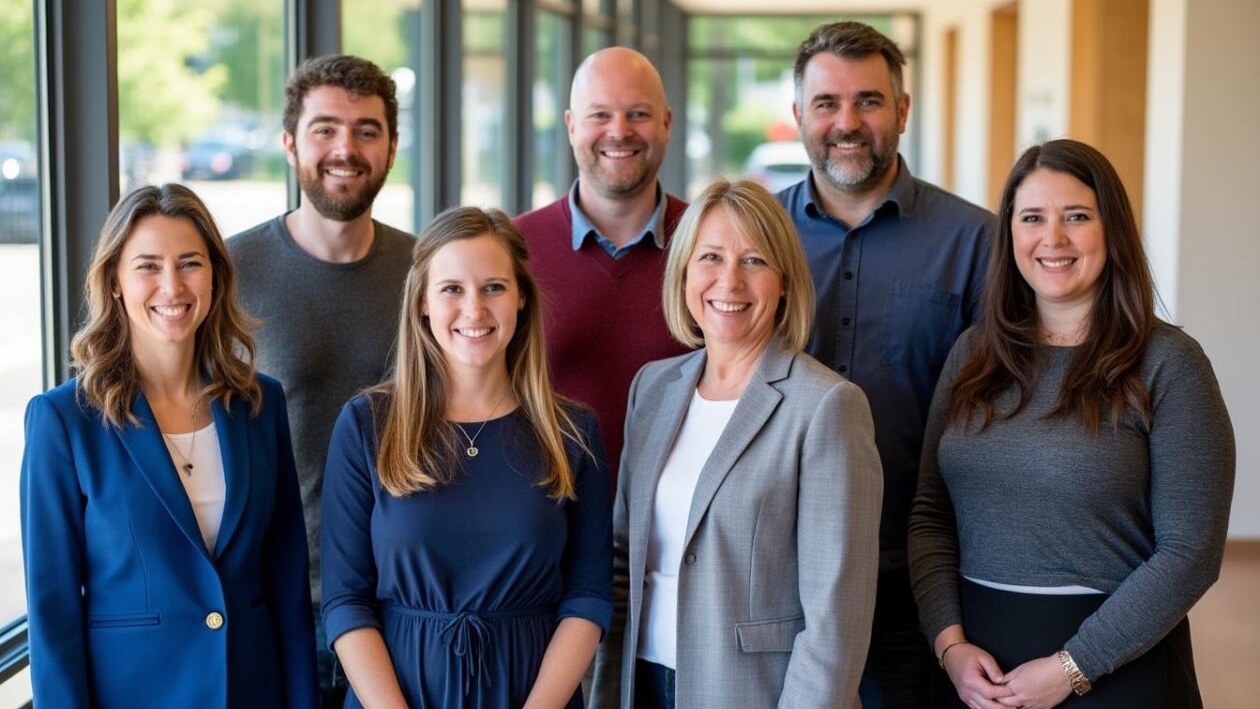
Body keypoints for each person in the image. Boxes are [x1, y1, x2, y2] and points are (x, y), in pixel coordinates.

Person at [908, 139, 1235, 709]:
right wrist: (949, 645)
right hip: (975, 675)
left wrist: (1073, 667)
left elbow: (1191, 554)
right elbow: (931, 515)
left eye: (1077, 217)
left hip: (1118, 668)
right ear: (1010, 234)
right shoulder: (972, 355)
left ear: (1112, 230)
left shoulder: (1170, 364)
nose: (1052, 238)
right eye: (1032, 218)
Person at [20, 184, 317, 708]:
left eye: (189, 263)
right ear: (114, 281)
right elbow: (53, 611)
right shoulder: (64, 421)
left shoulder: (260, 404)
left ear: (215, 276)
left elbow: (286, 585)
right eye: (148, 266)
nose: (172, 286)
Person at [591, 179, 883, 708]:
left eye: (754, 261)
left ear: (785, 282)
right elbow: (621, 563)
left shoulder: (826, 406)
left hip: (753, 694)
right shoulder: (652, 389)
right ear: (684, 273)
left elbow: (835, 620)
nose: (729, 281)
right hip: (643, 683)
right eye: (710, 257)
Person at [777, 21, 994, 706]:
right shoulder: (754, 240)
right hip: (777, 571)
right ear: (798, 118)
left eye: (868, 101)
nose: (847, 122)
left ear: (902, 110)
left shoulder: (976, 242)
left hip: (916, 574)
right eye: (826, 104)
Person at [320, 207, 613, 708]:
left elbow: (588, 599)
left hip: (531, 693)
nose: (474, 309)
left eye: (494, 287)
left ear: (521, 299)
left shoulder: (572, 432)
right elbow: (346, 602)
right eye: (452, 288)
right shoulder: (367, 425)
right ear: (423, 305)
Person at [228, 54, 416, 706]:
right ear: (289, 143)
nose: (346, 148)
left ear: (392, 146)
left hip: (407, 609)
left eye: (367, 130)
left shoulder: (432, 274)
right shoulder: (229, 273)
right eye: (325, 129)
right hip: (277, 606)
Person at [516, 46, 687, 490]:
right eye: (600, 115)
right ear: (572, 126)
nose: (619, 131)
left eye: (638, 114)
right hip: (552, 531)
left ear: (666, 123)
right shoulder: (512, 250)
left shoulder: (709, 245)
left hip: (682, 536)